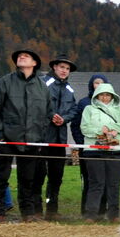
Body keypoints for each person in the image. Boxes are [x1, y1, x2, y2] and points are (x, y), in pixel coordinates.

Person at [0, 48, 53, 223]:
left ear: (34, 63)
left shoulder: (42, 88)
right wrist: (0, 134)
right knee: (1, 177)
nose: (21, 57)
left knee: (27, 179)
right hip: (6, 138)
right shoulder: (4, 82)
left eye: (26, 56)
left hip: (32, 140)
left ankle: (27, 213)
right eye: (19, 56)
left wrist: (40, 135)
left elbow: (48, 113)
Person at [79, 81, 120, 222]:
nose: (105, 97)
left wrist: (114, 130)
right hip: (94, 150)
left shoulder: (119, 109)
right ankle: (91, 214)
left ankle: (113, 215)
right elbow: (84, 128)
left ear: (112, 96)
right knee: (96, 183)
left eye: (108, 95)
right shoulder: (89, 109)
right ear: (96, 95)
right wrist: (99, 131)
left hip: (116, 150)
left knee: (114, 184)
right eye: (102, 94)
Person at [36, 53, 78, 221]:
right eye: (62, 67)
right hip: (43, 136)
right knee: (39, 174)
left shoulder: (69, 90)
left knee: (56, 176)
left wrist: (64, 119)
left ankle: (52, 210)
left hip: (60, 139)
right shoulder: (42, 83)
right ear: (54, 67)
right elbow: (37, 103)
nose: (64, 70)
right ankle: (36, 209)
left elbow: (74, 110)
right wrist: (51, 115)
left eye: (67, 68)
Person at [71, 74, 109, 217]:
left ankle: (102, 210)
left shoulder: (111, 103)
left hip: (106, 149)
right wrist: (82, 143)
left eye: (101, 83)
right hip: (88, 149)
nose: (98, 86)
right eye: (96, 83)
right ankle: (87, 211)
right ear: (91, 85)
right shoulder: (84, 103)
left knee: (105, 180)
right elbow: (75, 125)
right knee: (88, 180)